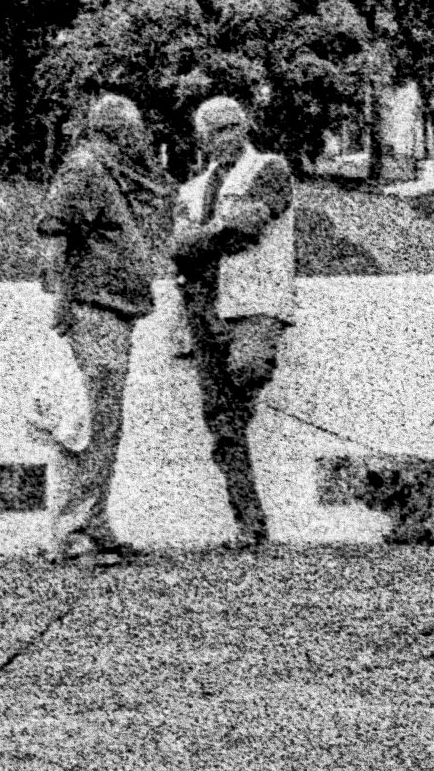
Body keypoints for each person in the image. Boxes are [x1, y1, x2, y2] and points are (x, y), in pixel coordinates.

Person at [35, 94, 170, 566]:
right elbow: (56, 235)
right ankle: (72, 532)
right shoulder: (85, 170)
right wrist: (63, 302)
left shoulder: (106, 172)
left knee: (106, 424)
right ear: (118, 131)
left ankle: (95, 523)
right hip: (93, 310)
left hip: (112, 311)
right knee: (88, 426)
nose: (140, 139)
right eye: (134, 130)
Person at [171, 96, 296, 550]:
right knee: (221, 425)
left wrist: (202, 237)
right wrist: (219, 231)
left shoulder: (270, 168)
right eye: (214, 131)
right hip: (202, 308)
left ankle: (237, 414)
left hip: (254, 302)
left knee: (248, 369)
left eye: (231, 127)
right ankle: (249, 523)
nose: (225, 137)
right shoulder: (190, 189)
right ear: (202, 139)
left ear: (245, 127)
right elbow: (178, 249)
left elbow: (252, 226)